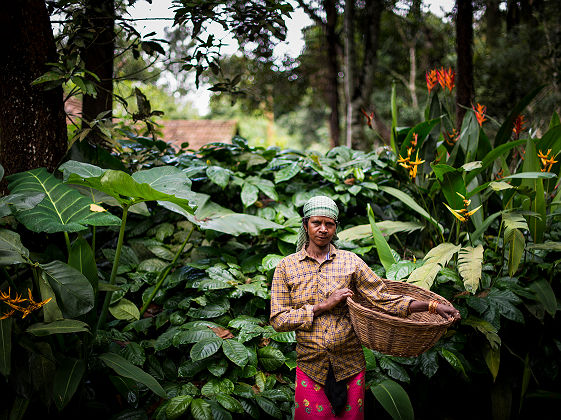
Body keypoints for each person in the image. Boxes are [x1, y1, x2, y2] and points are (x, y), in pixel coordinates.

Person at [270, 196, 460, 419]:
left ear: (335, 227)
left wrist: (431, 305)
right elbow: (278, 319)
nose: (323, 229)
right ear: (305, 224)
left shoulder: (351, 262)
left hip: (350, 366)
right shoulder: (286, 267)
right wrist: (323, 306)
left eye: (329, 224)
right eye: (316, 223)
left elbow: (383, 298)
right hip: (311, 368)